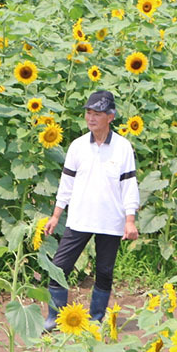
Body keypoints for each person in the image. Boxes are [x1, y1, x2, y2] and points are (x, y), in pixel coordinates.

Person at [42, 90, 139, 331]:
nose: (91, 118)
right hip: (79, 218)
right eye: (88, 113)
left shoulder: (123, 147)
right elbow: (66, 184)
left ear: (111, 116)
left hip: (111, 221)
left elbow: (129, 186)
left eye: (97, 113)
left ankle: (96, 319)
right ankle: (55, 318)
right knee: (59, 267)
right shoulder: (77, 146)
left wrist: (130, 220)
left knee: (104, 272)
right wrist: (56, 215)